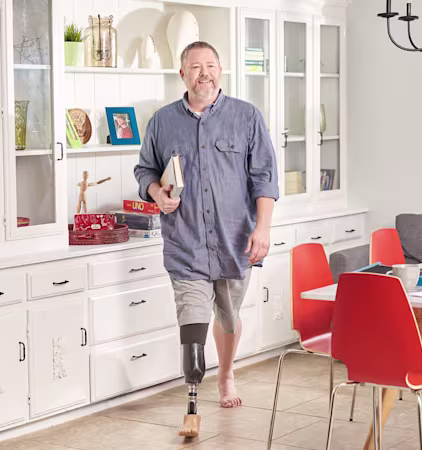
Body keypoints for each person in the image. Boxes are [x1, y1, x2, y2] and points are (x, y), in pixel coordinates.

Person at [134, 41, 278, 437]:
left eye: (211, 65)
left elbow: (265, 177)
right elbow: (145, 169)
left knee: (228, 317)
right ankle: (193, 398)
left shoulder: (247, 117)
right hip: (186, 243)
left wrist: (262, 228)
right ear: (182, 74)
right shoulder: (162, 122)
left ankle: (227, 373)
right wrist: (155, 193)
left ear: (221, 69)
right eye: (195, 67)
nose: (204, 73)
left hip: (236, 241)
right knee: (192, 319)